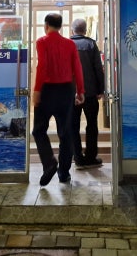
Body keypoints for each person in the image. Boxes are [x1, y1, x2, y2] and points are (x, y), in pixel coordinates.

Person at [32, 13, 85, 186]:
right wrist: (80, 90)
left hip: (47, 90)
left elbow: (42, 67)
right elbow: (77, 67)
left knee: (39, 130)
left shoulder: (42, 42)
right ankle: (64, 173)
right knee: (66, 133)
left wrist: (37, 90)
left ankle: (49, 163)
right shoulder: (70, 44)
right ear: (61, 26)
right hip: (66, 91)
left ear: (46, 25)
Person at [70, 18, 105, 169]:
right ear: (85, 31)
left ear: (72, 30)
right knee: (92, 125)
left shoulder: (67, 44)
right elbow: (98, 68)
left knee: (73, 126)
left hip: (72, 94)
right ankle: (90, 157)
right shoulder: (91, 44)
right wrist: (101, 90)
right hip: (90, 93)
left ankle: (77, 157)